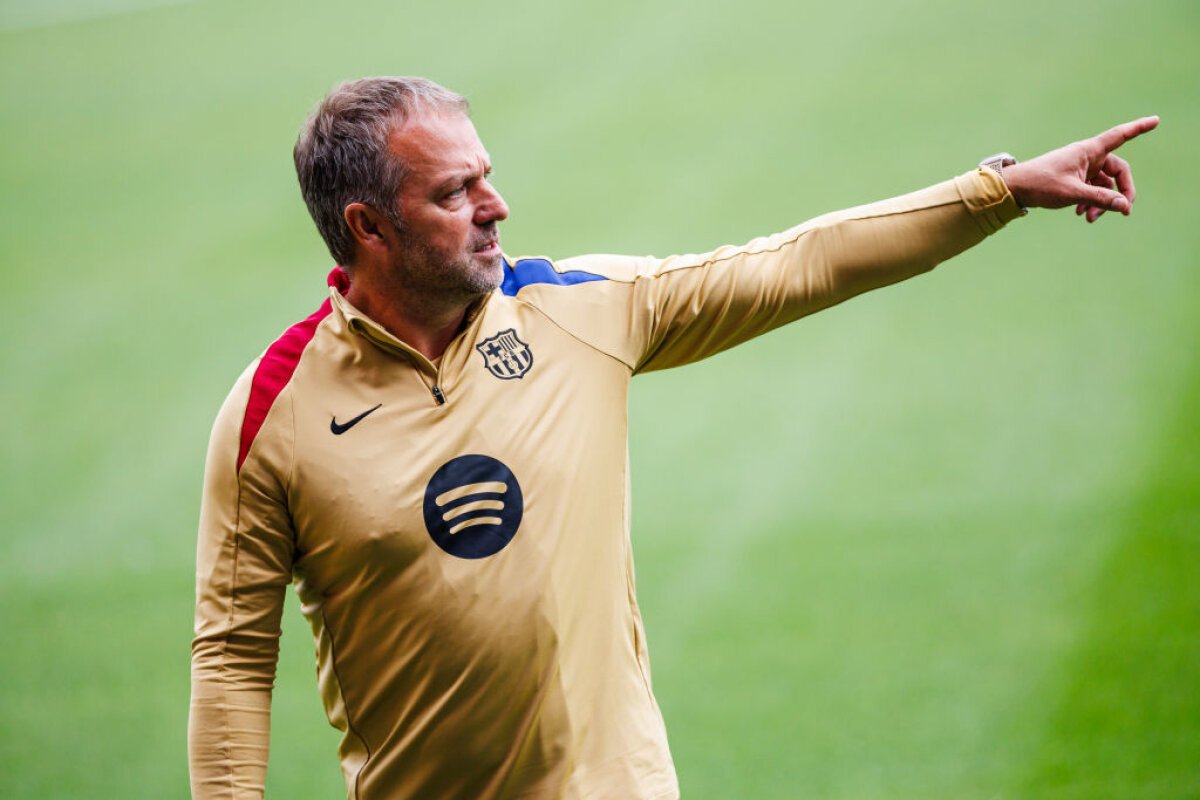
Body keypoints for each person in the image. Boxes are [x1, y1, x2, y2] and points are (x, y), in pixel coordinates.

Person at [188, 76, 1157, 799]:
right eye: (454, 192)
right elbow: (232, 655)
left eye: (487, 176)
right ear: (368, 227)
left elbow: (799, 264)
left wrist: (999, 191)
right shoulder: (274, 412)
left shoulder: (576, 312)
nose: (496, 206)